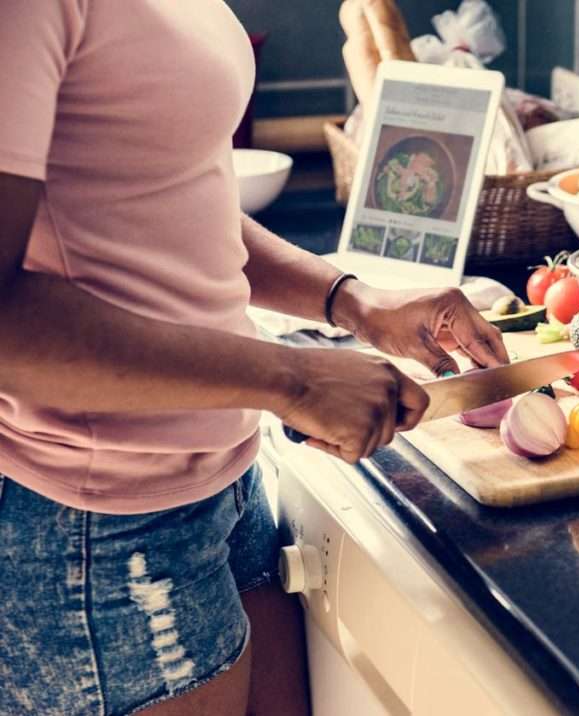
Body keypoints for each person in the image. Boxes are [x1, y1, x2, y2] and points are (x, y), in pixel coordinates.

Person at [0, 2, 507, 715]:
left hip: (221, 480)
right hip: (101, 526)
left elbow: (163, 188)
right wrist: (293, 379)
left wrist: (353, 301)